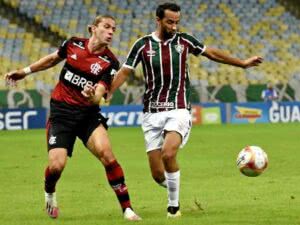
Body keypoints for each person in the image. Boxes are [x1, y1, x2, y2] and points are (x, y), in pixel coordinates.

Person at [89, 3, 263, 218]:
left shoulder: (184, 40)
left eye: (176, 22)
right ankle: (174, 185)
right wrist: (109, 90)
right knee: (157, 174)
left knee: (169, 153)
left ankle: (173, 207)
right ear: (158, 20)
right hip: (151, 113)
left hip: (178, 108)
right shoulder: (142, 45)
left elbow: (212, 53)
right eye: (170, 22)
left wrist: (242, 64)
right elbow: (125, 71)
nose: (174, 26)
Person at [4, 15, 141, 221]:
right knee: (56, 166)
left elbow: (100, 94)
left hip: (87, 115)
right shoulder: (73, 44)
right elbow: (52, 59)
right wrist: (25, 71)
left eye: (114, 28)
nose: (111, 32)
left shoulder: (110, 62)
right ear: (92, 28)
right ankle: (50, 193)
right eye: (106, 27)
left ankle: (128, 209)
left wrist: (91, 94)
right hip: (61, 114)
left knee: (107, 154)